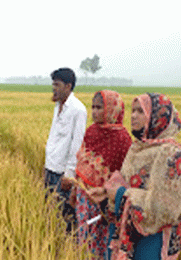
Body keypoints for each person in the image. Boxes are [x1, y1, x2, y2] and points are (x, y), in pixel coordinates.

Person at [98, 93, 181, 260]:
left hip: (152, 241)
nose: (133, 116)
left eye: (141, 111)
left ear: (158, 118)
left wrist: (121, 194)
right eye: (133, 110)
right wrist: (105, 193)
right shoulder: (137, 148)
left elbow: (164, 208)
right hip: (127, 233)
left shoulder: (171, 153)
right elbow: (126, 182)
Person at [73, 90, 132, 259]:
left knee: (103, 239)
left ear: (112, 110)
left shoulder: (122, 139)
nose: (94, 112)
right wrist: (75, 190)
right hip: (84, 195)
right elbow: (82, 164)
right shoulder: (91, 132)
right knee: (84, 235)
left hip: (106, 201)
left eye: (99, 107)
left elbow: (125, 175)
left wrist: (109, 197)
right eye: (93, 107)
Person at [43, 67, 87, 231]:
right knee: (49, 212)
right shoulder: (58, 106)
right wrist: (46, 166)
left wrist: (69, 175)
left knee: (64, 217)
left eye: (57, 84)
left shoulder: (78, 110)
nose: (54, 88)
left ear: (68, 86)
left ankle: (66, 250)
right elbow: (53, 137)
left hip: (63, 175)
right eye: (53, 84)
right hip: (50, 168)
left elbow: (77, 144)